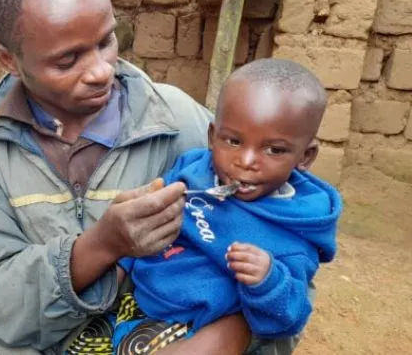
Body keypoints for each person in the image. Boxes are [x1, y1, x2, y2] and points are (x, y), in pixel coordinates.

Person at [0, 0, 310, 355]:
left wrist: (229, 335)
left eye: (106, 41)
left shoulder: (177, 120)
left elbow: (287, 257)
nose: (100, 71)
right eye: (67, 61)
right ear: (9, 60)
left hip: (163, 337)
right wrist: (100, 247)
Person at [113, 59, 342, 352]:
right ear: (212, 136)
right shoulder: (192, 171)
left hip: (197, 331)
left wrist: (268, 280)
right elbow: (146, 225)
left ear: (305, 157)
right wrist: (119, 265)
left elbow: (288, 319)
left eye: (274, 150)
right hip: (135, 305)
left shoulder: (295, 230)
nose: (246, 162)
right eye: (233, 141)